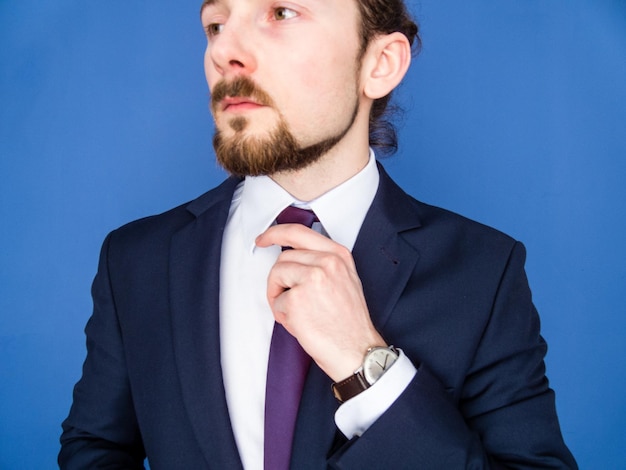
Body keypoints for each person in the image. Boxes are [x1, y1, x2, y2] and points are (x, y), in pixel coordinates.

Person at [59, 0, 577, 468]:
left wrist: (366, 365)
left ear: (380, 64)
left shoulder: (483, 271)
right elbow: (96, 451)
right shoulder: (137, 259)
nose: (225, 52)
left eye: (281, 13)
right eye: (216, 24)